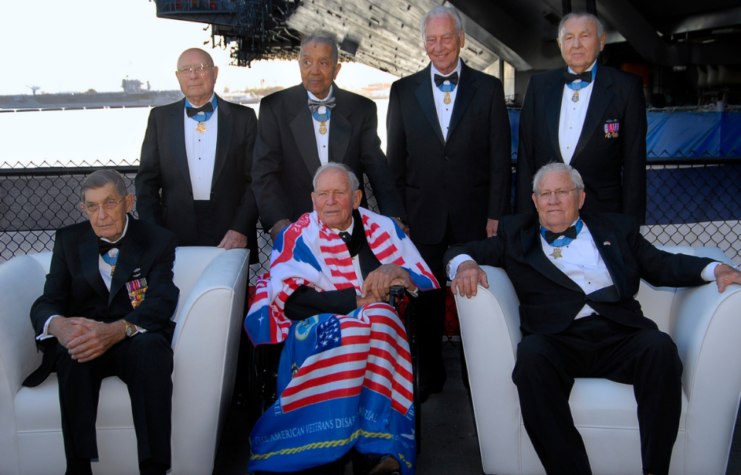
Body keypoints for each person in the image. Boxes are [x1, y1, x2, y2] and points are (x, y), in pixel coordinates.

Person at [445, 163, 741, 475]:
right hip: (557, 339)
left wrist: (714, 269)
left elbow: (661, 264)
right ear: (535, 201)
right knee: (531, 359)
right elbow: (459, 250)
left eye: (562, 192)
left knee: (660, 348)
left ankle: (656, 469)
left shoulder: (616, 228)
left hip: (619, 333)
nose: (554, 200)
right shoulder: (515, 233)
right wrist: (465, 266)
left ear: (581, 197)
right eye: (545, 193)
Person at [244, 163, 439, 475]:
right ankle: (325, 446)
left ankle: (379, 452)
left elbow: (423, 281)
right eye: (323, 194)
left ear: (357, 197)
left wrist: (400, 272)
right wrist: (356, 301)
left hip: (377, 324)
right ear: (312, 199)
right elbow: (291, 302)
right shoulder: (296, 236)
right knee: (354, 330)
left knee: (382, 317)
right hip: (316, 325)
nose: (330, 201)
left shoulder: (385, 229)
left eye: (339, 193)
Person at [386, 5, 511, 400]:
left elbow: (499, 158)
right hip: (421, 218)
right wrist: (397, 216)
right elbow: (395, 159)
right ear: (424, 43)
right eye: (431, 39)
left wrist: (496, 214)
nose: (438, 47)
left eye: (446, 38)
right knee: (425, 301)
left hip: (475, 218)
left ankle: (479, 376)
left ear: (461, 40)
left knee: (480, 298)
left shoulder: (488, 89)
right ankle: (428, 375)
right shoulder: (403, 90)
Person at [23, 170, 180, 475]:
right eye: (92, 206)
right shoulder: (68, 240)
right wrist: (58, 326)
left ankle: (154, 467)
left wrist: (116, 330)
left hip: (133, 335)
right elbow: (49, 299)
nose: (101, 215)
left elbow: (162, 299)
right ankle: (78, 467)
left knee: (152, 350)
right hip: (88, 337)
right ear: (83, 209)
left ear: (128, 202)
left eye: (109, 203)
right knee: (74, 351)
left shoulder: (158, 239)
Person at [252, 33, 406, 243]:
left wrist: (393, 217)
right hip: (296, 228)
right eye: (307, 62)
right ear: (299, 65)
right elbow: (264, 171)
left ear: (336, 69)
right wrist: (278, 222)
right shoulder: (274, 107)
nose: (314, 70)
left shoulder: (362, 109)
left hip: (350, 225)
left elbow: (377, 167)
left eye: (323, 62)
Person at [515, 12, 647, 223]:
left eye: (585, 36)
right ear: (560, 44)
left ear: (601, 41)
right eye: (569, 37)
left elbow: (634, 164)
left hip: (604, 216)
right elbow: (526, 159)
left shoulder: (627, 88)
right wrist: (523, 220)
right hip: (547, 217)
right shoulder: (538, 86)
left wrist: (631, 225)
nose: (576, 44)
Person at [136, 47, 259, 258]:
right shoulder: (160, 118)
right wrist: (155, 231)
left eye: (201, 68)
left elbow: (256, 179)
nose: (193, 75)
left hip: (231, 234)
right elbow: (146, 182)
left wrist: (241, 227)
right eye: (186, 69)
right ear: (178, 76)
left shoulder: (244, 118)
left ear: (215, 73)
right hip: (173, 232)